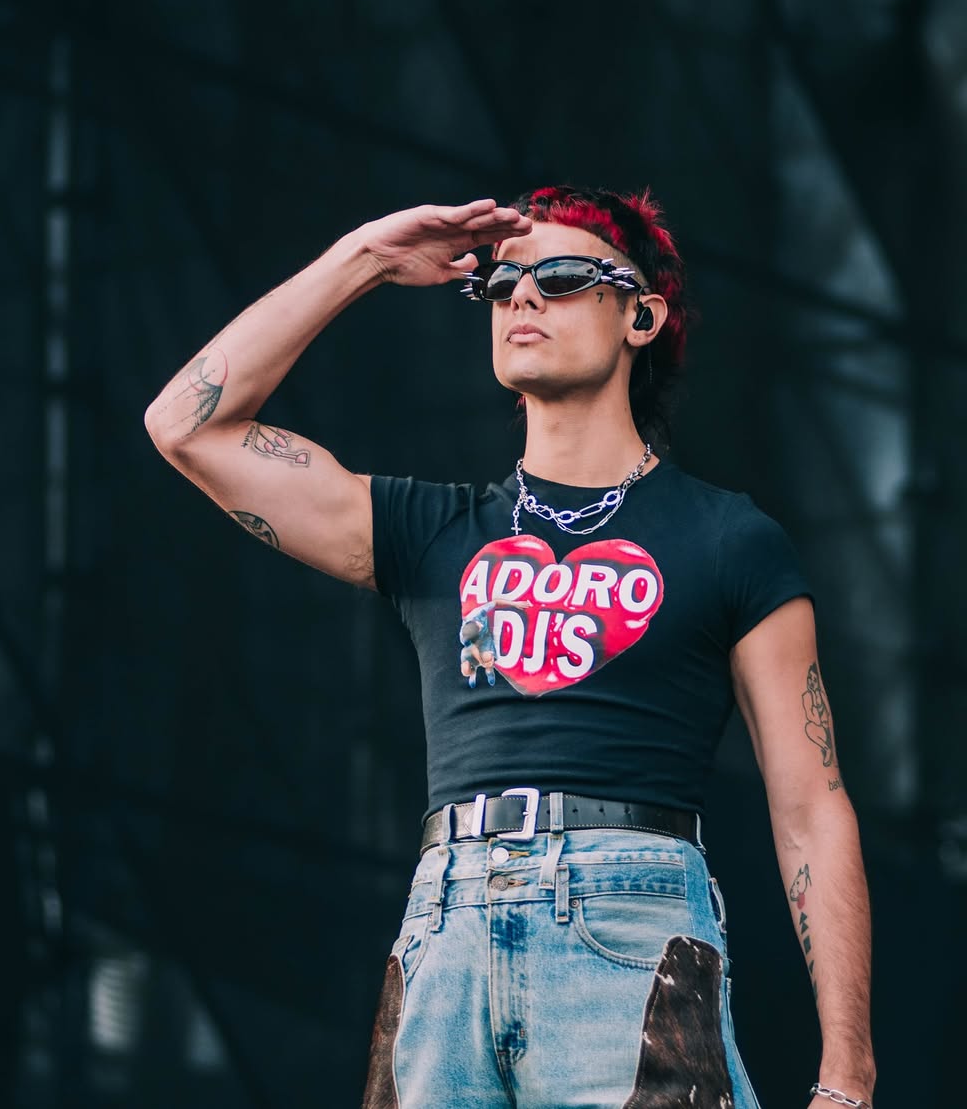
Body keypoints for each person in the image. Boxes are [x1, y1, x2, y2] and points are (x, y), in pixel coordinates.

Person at [144, 187, 875, 1109]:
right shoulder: (432, 530)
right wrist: (366, 256)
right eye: (500, 283)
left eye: (561, 277)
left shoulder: (731, 539)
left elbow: (812, 807)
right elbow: (186, 426)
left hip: (631, 929)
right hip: (445, 934)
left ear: (641, 317)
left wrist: (847, 1076)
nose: (522, 295)